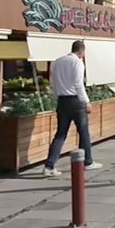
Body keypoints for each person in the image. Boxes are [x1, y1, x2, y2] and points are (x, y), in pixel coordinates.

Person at [43, 40, 102, 177]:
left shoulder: (58, 61)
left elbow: (53, 82)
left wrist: (57, 97)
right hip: (75, 101)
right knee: (83, 131)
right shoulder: (78, 63)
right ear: (81, 51)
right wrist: (86, 101)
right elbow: (78, 84)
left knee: (60, 134)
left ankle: (49, 165)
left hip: (62, 101)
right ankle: (87, 162)